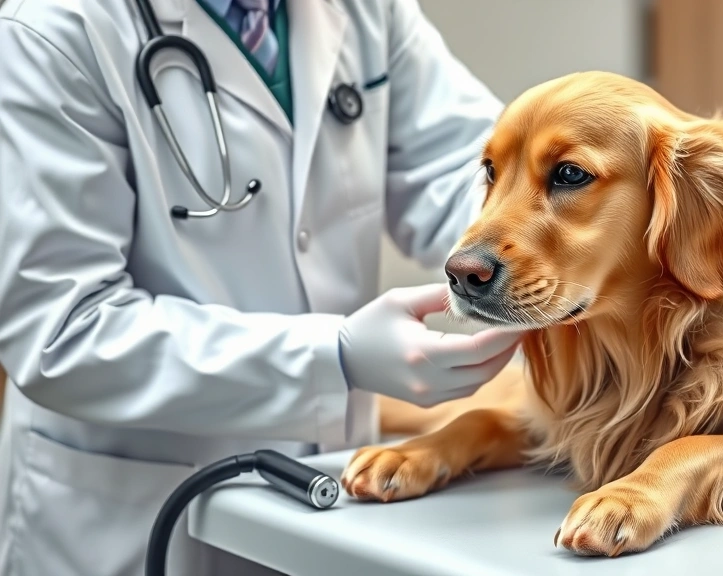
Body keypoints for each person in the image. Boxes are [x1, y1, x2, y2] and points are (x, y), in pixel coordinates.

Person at [0, 0, 522, 574]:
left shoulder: (366, 11)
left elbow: (468, 173)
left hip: (331, 498)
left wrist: (552, 243)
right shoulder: (52, 28)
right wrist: (334, 357)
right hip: (125, 516)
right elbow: (62, 329)